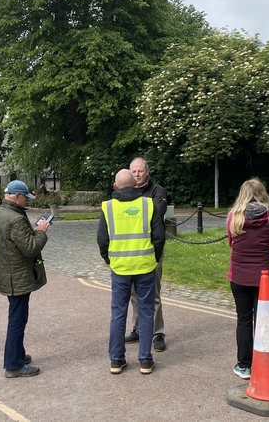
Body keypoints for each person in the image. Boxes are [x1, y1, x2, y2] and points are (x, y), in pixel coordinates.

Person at [98, 169, 165, 375]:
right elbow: (159, 237)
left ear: (115, 186)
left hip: (120, 268)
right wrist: (153, 258)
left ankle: (117, 360)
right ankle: (145, 360)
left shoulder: (108, 207)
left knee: (118, 313)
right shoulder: (148, 204)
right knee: (146, 312)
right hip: (145, 266)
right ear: (136, 184)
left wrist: (110, 260)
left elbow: (102, 239)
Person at [0, 180, 50, 378]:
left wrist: (32, 233)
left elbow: (17, 242)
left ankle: (18, 355)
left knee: (16, 317)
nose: (27, 201)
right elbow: (31, 248)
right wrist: (41, 232)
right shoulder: (15, 218)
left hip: (8, 274)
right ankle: (13, 364)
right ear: (17, 197)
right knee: (17, 320)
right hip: (17, 276)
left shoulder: (1, 213)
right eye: (26, 197)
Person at [226, 178, 269, 379]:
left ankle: (244, 364)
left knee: (243, 320)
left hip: (239, 276)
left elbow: (231, 242)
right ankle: (264, 363)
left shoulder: (234, 216)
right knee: (264, 321)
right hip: (265, 277)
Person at [124, 157, 169, 352]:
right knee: (134, 293)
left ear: (147, 172)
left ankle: (157, 333)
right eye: (133, 171)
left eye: (140, 171)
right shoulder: (125, 193)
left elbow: (155, 214)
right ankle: (138, 329)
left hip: (152, 248)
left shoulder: (158, 191)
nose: (137, 174)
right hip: (132, 248)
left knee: (153, 293)